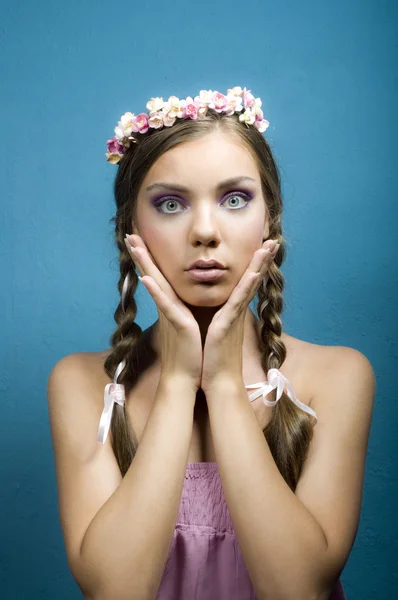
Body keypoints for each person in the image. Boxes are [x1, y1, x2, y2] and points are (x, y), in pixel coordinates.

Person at [47, 86, 376, 600]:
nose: (205, 231)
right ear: (130, 230)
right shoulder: (82, 384)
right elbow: (116, 591)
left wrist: (222, 382)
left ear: (271, 219)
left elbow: (298, 590)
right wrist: (180, 378)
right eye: (171, 203)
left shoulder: (336, 377)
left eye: (235, 199)